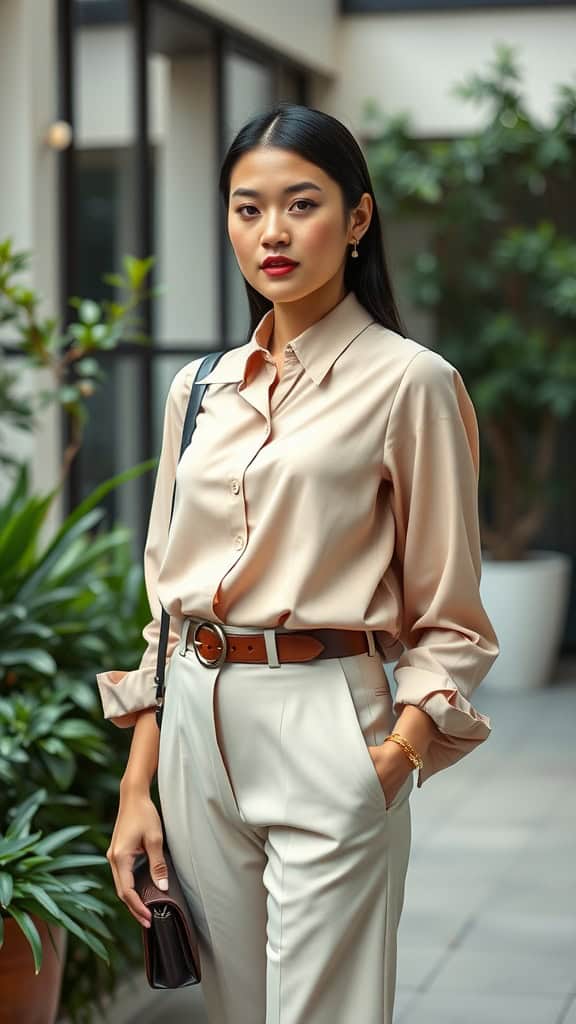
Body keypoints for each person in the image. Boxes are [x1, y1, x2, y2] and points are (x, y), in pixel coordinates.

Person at [97, 103, 499, 1024]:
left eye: (301, 204)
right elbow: (168, 607)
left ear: (358, 219)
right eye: (247, 209)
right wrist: (136, 789)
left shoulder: (412, 383)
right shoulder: (195, 389)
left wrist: (393, 761)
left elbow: (453, 618)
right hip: (195, 728)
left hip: (329, 724)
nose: (271, 232)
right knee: (239, 1012)